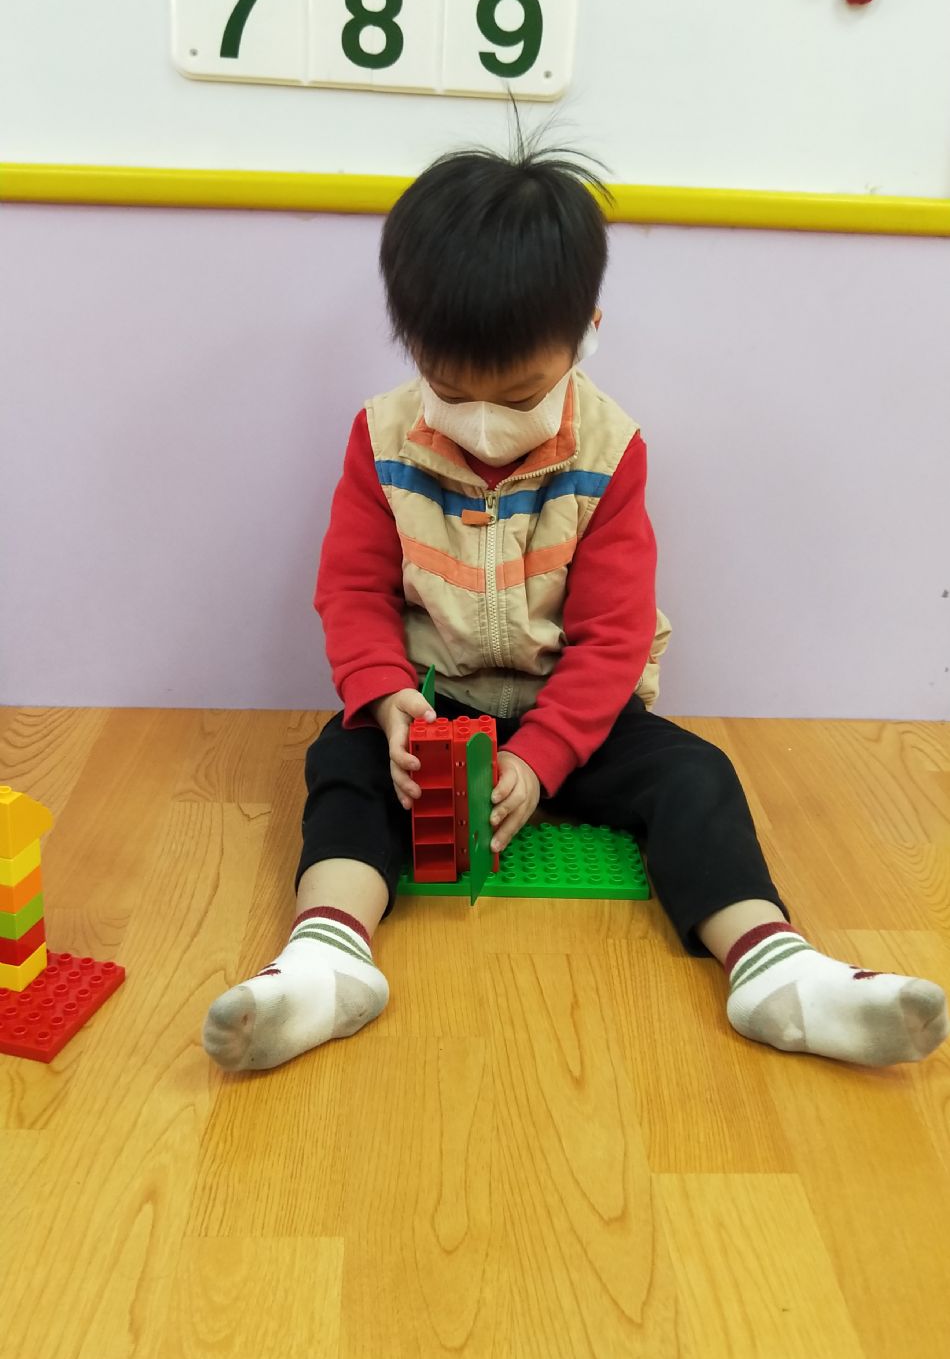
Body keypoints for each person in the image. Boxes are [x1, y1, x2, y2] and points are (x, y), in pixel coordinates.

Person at [203, 138, 949, 1073]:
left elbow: (614, 635)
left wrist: (544, 756)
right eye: (450, 389)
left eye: (519, 393)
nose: (484, 422)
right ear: (411, 343)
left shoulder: (610, 450)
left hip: (577, 715)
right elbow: (352, 589)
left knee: (696, 775)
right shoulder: (380, 438)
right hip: (436, 701)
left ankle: (775, 969)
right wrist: (389, 700)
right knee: (342, 763)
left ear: (586, 332)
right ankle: (326, 958)